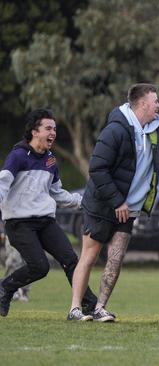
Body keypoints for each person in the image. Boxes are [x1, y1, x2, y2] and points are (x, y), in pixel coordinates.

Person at [68, 84, 159, 322]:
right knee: (89, 256)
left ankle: (100, 308)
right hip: (103, 204)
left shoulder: (155, 129)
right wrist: (117, 201)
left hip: (127, 210)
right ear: (142, 104)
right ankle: (75, 309)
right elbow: (97, 169)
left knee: (116, 258)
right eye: (156, 101)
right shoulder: (116, 129)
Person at [0, 109, 97, 317]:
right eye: (48, 128)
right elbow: (2, 185)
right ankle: (5, 287)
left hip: (45, 222)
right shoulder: (17, 156)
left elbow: (57, 193)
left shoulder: (51, 160)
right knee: (39, 267)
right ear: (35, 132)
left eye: (54, 128)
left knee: (71, 260)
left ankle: (89, 305)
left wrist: (84, 203)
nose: (53, 132)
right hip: (19, 224)